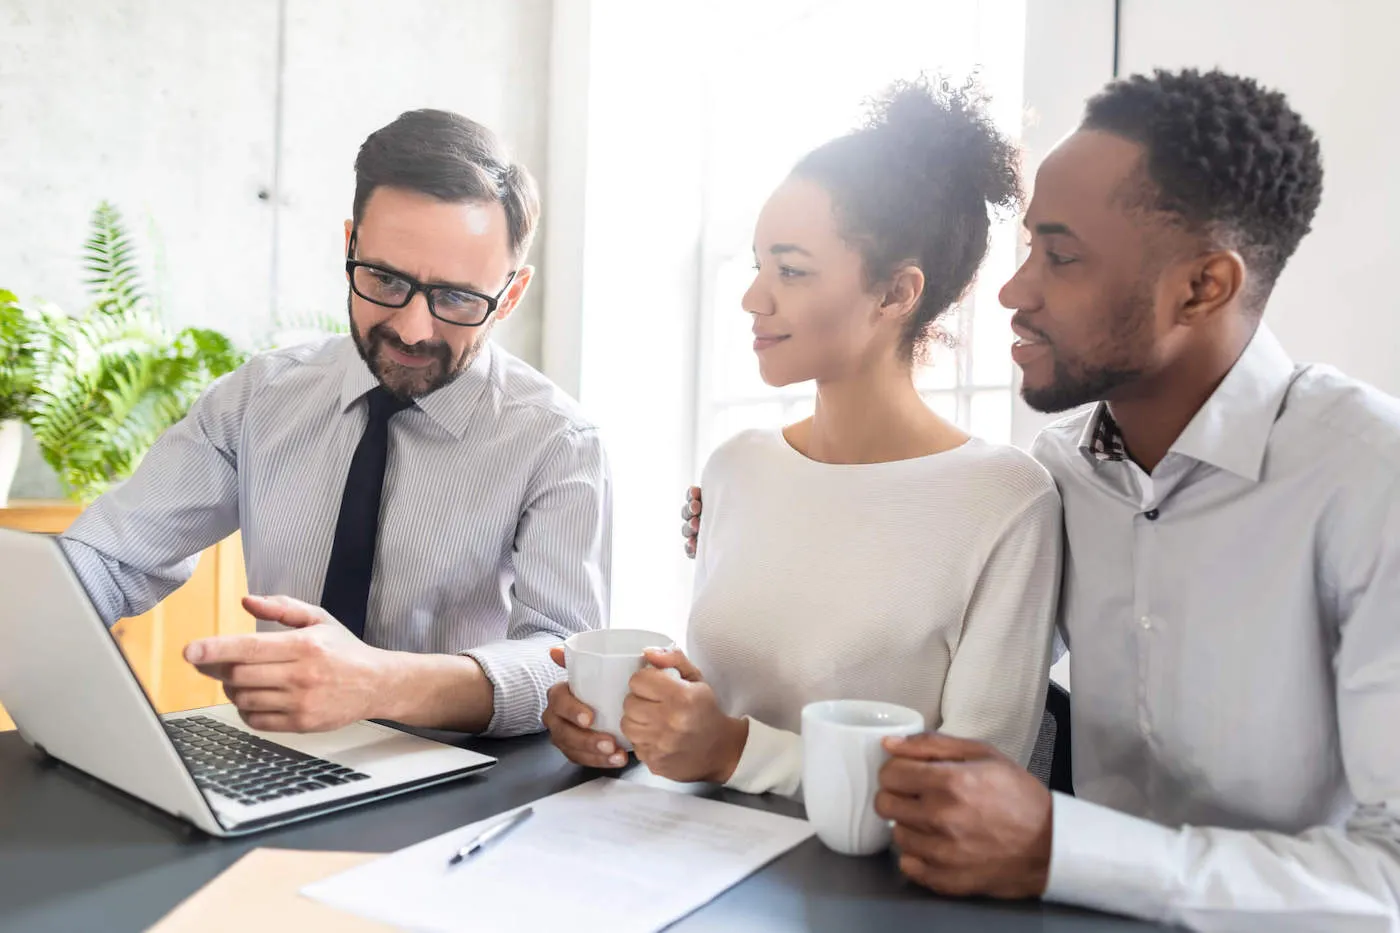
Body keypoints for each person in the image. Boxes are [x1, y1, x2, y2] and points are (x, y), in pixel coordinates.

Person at [688, 68, 1400, 929]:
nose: (1014, 290)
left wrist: (1060, 845)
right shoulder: (1061, 474)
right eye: (1028, 247)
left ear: (1202, 286)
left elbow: (1389, 876)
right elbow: (909, 581)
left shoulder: (1370, 480)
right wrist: (761, 518)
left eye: (1059, 257)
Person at [548, 76, 1061, 791]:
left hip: (866, 891)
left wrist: (733, 750)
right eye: (759, 263)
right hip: (682, 850)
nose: (753, 297)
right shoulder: (737, 468)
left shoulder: (1004, 501)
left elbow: (976, 787)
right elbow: (720, 714)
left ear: (896, 293)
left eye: (790, 270)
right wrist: (630, 724)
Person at [58, 110, 612, 738]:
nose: (411, 329)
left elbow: (565, 660)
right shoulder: (259, 398)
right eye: (384, 279)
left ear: (510, 295)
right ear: (350, 245)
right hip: (284, 761)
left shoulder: (557, 443)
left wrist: (379, 683)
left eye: (457, 298)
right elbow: (114, 557)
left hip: (469, 782)